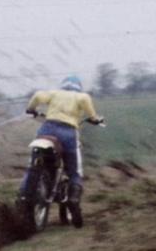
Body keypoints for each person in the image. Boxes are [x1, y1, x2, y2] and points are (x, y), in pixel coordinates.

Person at [20, 75, 103, 208]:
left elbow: (37, 96)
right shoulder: (82, 97)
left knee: (33, 165)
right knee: (73, 171)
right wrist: (95, 119)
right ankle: (74, 198)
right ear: (79, 87)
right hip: (68, 132)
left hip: (47, 129)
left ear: (63, 85)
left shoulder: (54, 93)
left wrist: (31, 109)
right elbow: (92, 116)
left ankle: (24, 194)